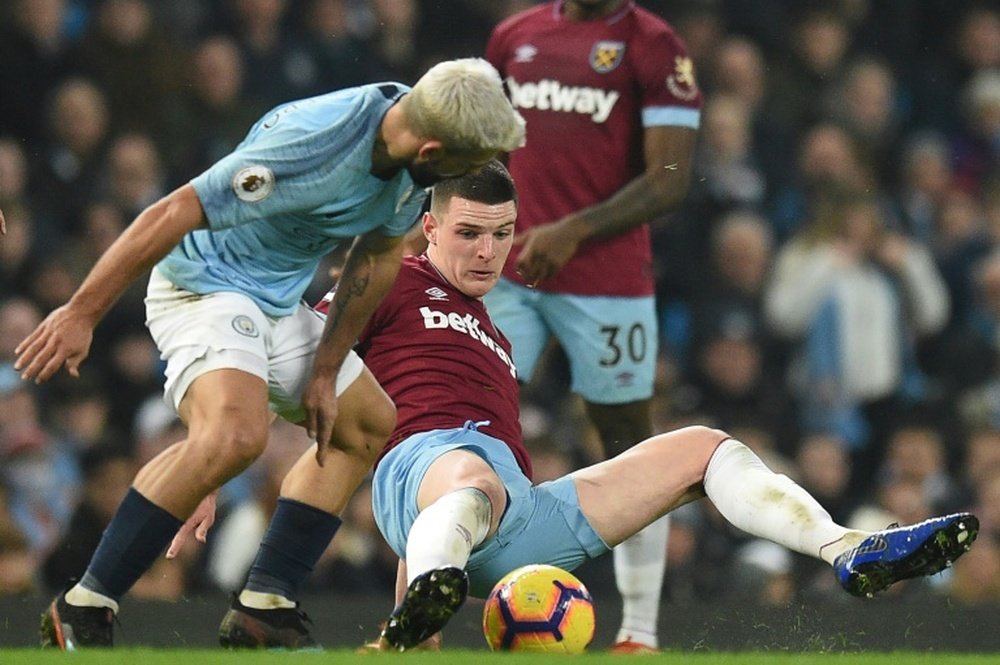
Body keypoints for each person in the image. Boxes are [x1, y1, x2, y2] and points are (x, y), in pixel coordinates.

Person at [310, 160, 975, 651]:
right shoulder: (388, 276)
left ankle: (847, 547)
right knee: (468, 473)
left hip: (513, 513)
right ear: (428, 226)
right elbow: (299, 351)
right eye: (469, 233)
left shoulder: (493, 325)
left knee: (705, 445)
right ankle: (426, 592)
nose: (488, 251)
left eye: (502, 233)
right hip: (424, 471)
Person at [13, 57, 526, 650]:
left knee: (366, 421)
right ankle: (82, 606)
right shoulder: (312, 147)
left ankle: (265, 606)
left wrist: (327, 370)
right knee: (236, 437)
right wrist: (83, 312)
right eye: (457, 166)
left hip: (276, 301)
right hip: (203, 282)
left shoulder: (420, 140)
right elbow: (173, 211)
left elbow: (378, 254)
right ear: (434, 151)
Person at [482, 0, 701, 652]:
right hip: (509, 272)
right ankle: (426, 611)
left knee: (628, 440)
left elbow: (669, 176)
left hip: (607, 282)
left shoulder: (656, 47)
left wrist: (575, 229)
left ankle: (639, 628)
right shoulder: (514, 36)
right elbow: (482, 147)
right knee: (458, 424)